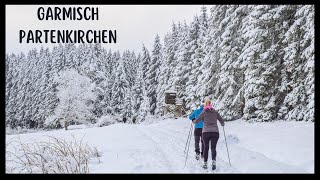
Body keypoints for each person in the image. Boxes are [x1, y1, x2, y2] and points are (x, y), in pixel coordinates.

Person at [193, 100, 224, 170]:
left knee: (206, 147)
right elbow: (221, 120)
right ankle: (213, 161)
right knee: (213, 148)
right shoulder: (215, 112)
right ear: (211, 105)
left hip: (206, 132)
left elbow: (197, 121)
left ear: (205, 105)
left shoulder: (203, 112)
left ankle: (205, 163)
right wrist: (222, 123)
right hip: (215, 132)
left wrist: (193, 121)